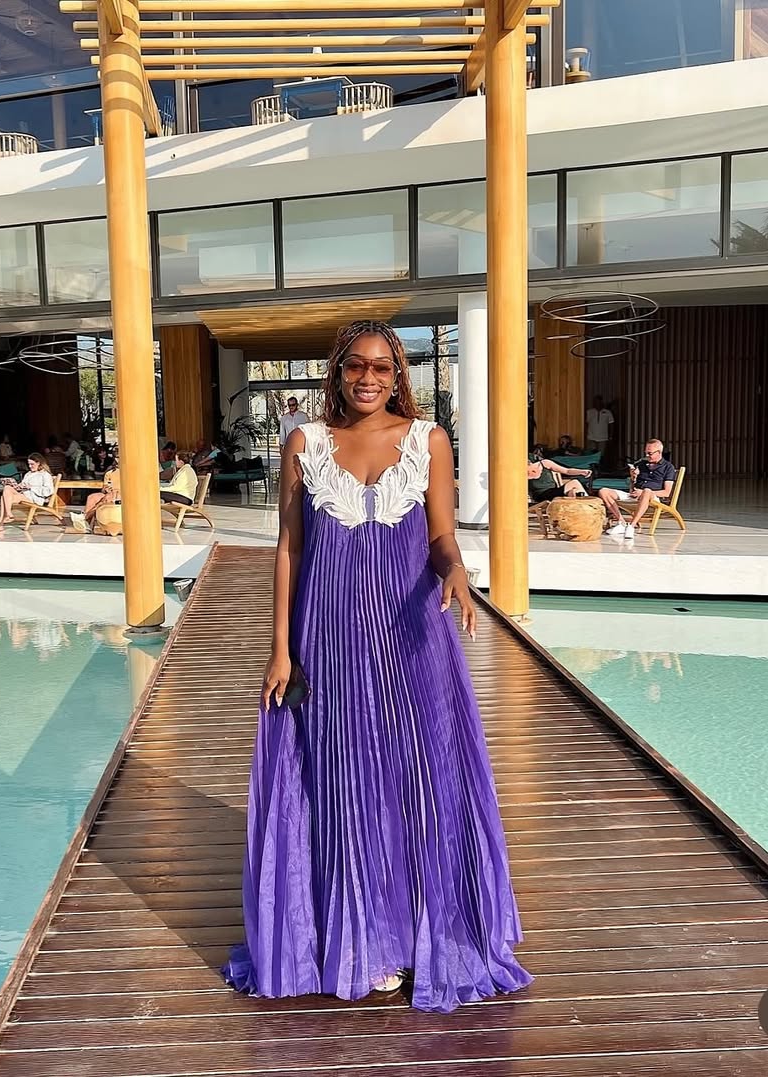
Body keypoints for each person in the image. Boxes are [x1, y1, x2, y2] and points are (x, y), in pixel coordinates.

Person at [222, 320, 531, 1014]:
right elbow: (289, 549)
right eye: (357, 366)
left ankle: (426, 934)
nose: (368, 378)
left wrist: (456, 571)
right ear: (338, 371)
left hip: (411, 634)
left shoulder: (429, 441)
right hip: (327, 635)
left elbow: (441, 534)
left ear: (399, 375)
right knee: (344, 778)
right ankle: (365, 942)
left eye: (382, 367)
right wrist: (279, 646)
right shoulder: (305, 444)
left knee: (419, 778)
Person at [599, 438, 677, 543]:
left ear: (659, 452)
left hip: (652, 498)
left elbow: (666, 493)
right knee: (604, 491)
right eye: (646, 453)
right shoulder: (641, 464)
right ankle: (622, 523)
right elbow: (632, 486)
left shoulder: (668, 467)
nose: (647, 455)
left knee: (647, 491)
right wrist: (633, 477)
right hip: (635, 495)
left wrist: (643, 493)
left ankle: (631, 526)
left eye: (650, 453)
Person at [0, 453, 55, 529]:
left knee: (4, 498)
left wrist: (31, 487)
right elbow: (24, 485)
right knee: (7, 488)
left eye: (32, 464)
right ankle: (8, 515)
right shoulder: (28, 474)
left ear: (38, 463)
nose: (30, 466)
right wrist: (19, 486)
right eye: (29, 464)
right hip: (24, 494)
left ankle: (0, 524)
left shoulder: (45, 474)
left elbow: (49, 490)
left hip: (34, 498)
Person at [73, 460, 121, 533]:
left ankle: (84, 517)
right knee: (92, 497)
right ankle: (86, 524)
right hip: (111, 493)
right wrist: (106, 489)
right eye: (116, 458)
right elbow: (105, 487)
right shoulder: (109, 473)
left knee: (107, 498)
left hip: (124, 494)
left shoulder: (131, 472)